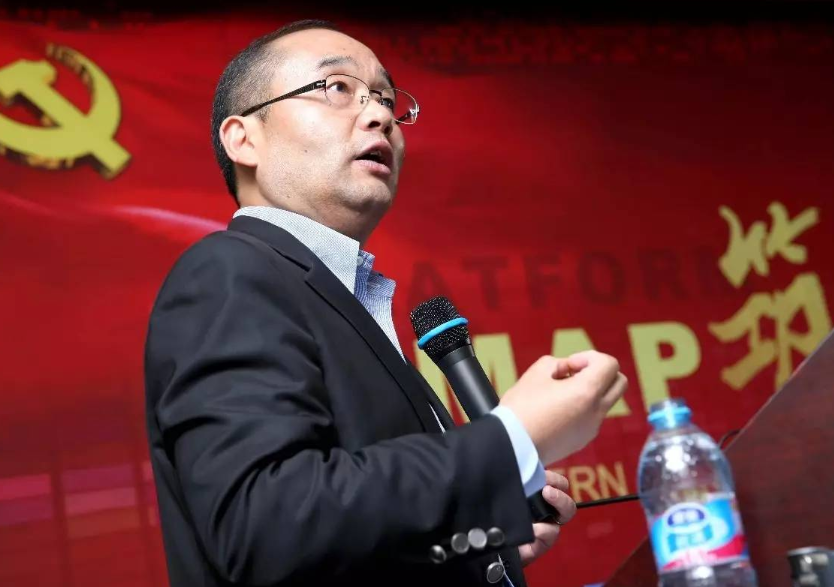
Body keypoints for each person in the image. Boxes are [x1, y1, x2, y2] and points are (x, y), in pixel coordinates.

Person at [144, 20, 628, 587]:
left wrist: (475, 550)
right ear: (243, 139)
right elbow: (266, 524)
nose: (378, 115)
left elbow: (343, 537)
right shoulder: (228, 272)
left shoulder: (339, 297)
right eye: (336, 88)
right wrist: (511, 437)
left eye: (385, 99)